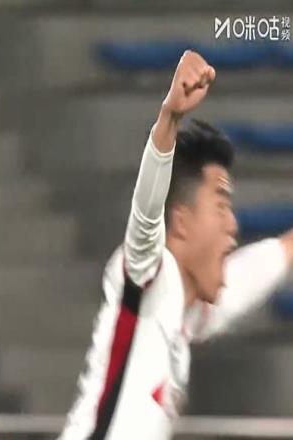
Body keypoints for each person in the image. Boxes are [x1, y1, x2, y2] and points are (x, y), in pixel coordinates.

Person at [58, 50, 293, 440]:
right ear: (182, 222)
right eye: (221, 205)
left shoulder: (189, 311)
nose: (233, 224)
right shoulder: (148, 277)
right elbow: (146, 216)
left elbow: (255, 271)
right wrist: (169, 119)